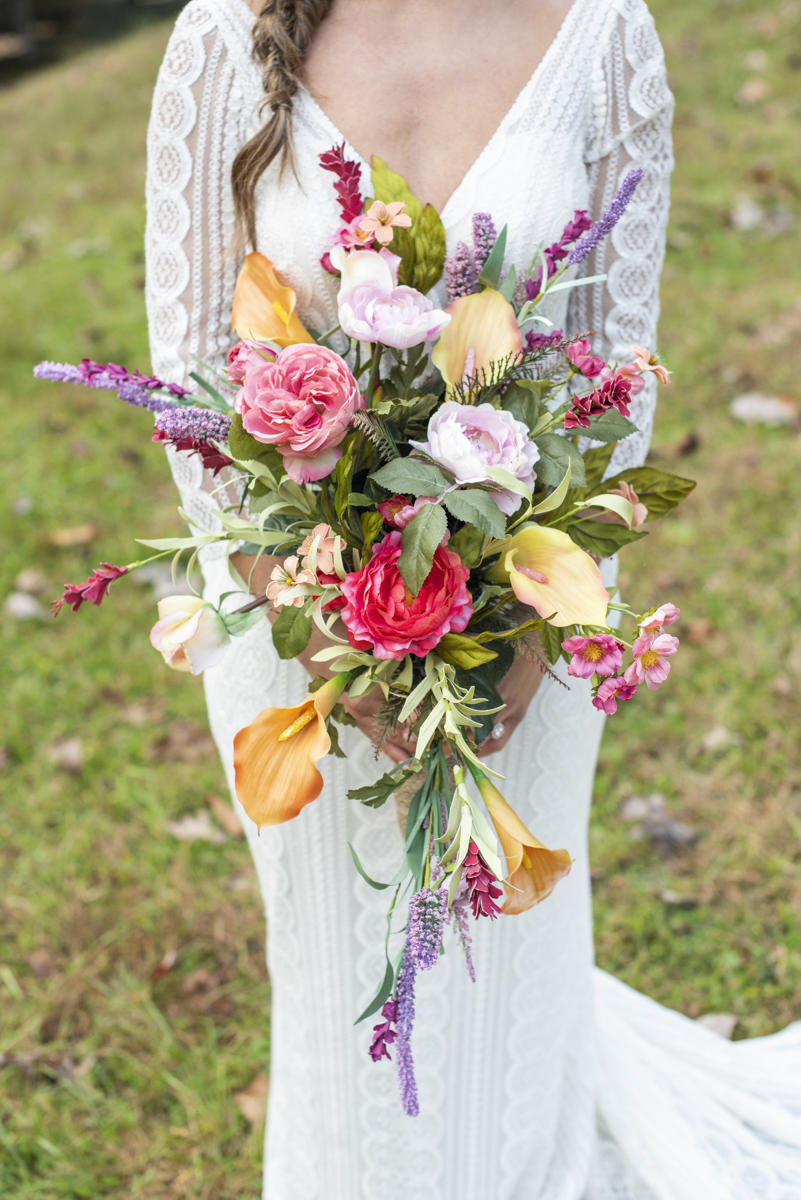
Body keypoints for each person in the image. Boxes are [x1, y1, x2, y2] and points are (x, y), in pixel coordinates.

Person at [144, 1, 801, 1196]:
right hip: (293, 633)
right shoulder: (217, 42)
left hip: (532, 614)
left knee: (507, 966)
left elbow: (618, 381)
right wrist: (342, 647)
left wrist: (526, 648)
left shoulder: (602, 37)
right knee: (344, 981)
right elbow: (189, 389)